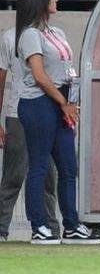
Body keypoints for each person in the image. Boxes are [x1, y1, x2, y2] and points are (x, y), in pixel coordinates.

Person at [11, 0, 95, 244]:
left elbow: (64, 69)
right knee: (38, 166)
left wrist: (70, 99)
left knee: (69, 167)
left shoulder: (55, 31)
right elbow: (39, 76)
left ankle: (71, 225)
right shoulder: (29, 35)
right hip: (38, 104)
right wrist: (64, 103)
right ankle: (40, 226)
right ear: (39, 0)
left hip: (60, 101)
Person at [0, 21, 59, 241]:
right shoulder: (9, 37)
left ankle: (50, 229)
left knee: (48, 177)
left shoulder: (56, 34)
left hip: (47, 114)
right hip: (17, 113)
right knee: (13, 176)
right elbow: (1, 78)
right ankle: (1, 229)